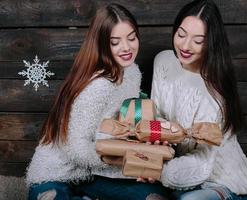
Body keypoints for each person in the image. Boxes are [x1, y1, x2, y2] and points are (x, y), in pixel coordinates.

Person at [26, 3, 169, 200]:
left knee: (154, 196)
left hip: (97, 174)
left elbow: (129, 120)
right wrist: (126, 156)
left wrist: (146, 150)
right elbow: (76, 149)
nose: (126, 47)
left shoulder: (132, 72)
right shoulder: (99, 85)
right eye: (115, 42)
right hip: (59, 174)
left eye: (131, 38)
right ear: (102, 43)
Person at [151, 0, 247, 199]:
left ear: (211, 43)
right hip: (175, 169)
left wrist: (155, 170)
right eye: (181, 34)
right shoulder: (163, 61)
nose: (185, 45)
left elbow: (202, 161)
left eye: (198, 41)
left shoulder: (214, 92)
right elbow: (157, 116)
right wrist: (152, 153)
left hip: (218, 180)